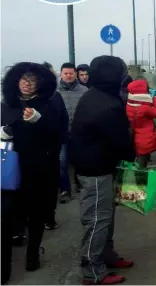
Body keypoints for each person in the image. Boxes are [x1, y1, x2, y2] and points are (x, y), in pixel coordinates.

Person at [69, 55, 136, 285]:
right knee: (97, 219)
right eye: (120, 72)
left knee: (105, 217)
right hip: (95, 170)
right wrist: (131, 154)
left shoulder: (96, 95)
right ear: (112, 75)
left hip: (99, 165)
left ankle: (107, 255)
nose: (123, 76)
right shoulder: (106, 103)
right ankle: (92, 272)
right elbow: (119, 139)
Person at [1, 62, 68, 283]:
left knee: (37, 212)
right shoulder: (7, 104)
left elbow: (59, 134)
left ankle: (32, 255)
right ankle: (5, 265)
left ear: (41, 82)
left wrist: (38, 122)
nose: (27, 84)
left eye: (32, 80)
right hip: (10, 168)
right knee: (8, 216)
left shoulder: (51, 102)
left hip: (40, 167)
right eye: (22, 79)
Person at [55, 62, 88, 207]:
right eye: (65, 73)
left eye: (71, 73)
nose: (68, 76)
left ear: (75, 74)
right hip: (60, 134)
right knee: (61, 163)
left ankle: (80, 185)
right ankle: (65, 190)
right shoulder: (53, 91)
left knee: (79, 161)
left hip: (79, 133)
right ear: (61, 74)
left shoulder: (84, 90)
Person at [126, 78, 156, 168]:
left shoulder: (129, 105)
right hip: (145, 138)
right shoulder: (144, 108)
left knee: (137, 160)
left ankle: (137, 178)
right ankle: (140, 180)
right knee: (141, 164)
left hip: (135, 136)